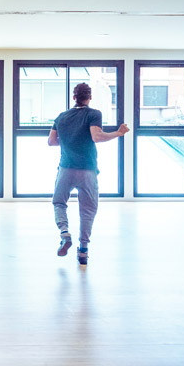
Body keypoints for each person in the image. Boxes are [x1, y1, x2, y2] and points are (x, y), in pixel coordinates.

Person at [48, 83, 129, 266]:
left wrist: (70, 140)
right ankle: (83, 251)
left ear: (74, 97)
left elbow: (51, 141)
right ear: (89, 96)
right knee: (87, 209)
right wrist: (119, 133)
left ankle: (64, 233)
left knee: (59, 202)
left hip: (66, 168)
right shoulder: (94, 114)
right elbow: (96, 137)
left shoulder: (61, 117)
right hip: (87, 170)